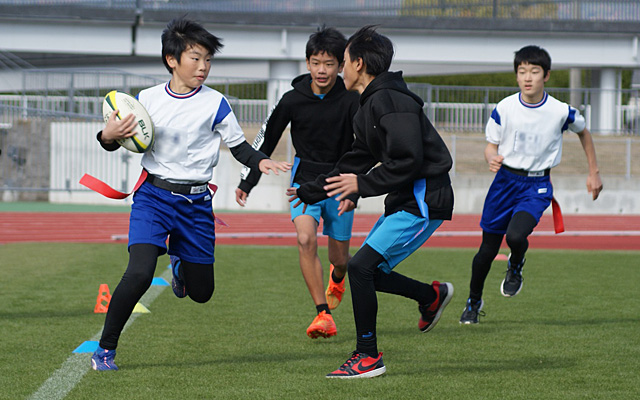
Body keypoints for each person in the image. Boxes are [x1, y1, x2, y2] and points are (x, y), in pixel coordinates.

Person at [90, 17, 291, 371]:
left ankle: (181, 264)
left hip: (197, 205)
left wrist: (260, 162)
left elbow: (240, 148)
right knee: (138, 272)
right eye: (195, 58)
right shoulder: (145, 100)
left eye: (208, 60)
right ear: (172, 59)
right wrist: (107, 135)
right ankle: (105, 349)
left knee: (201, 293)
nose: (203, 67)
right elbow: (114, 141)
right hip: (153, 197)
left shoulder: (216, 104)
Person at [287, 25, 455, 379]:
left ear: (359, 63)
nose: (339, 69)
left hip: (423, 200)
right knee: (370, 271)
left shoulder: (391, 100)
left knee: (360, 268)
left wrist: (361, 186)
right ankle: (430, 296)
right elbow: (356, 158)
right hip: (404, 198)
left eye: (343, 62)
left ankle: (367, 355)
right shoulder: (369, 104)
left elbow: (408, 159)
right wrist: (311, 190)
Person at [459, 45, 603, 325]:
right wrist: (492, 158)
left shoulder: (561, 111)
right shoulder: (505, 107)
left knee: (515, 237)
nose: (528, 77)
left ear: (546, 75)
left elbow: (584, 132)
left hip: (536, 185)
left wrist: (594, 172)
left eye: (534, 71)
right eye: (522, 71)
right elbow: (490, 146)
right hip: (504, 183)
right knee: (486, 252)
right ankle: (473, 303)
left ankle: (515, 265)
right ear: (516, 76)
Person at [235, 27, 359, 339]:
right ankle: (322, 314)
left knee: (339, 259)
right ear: (307, 63)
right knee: (305, 239)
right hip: (303, 180)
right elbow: (267, 139)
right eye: (316, 62)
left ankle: (338, 276)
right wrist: (248, 182)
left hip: (340, 181)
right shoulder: (292, 100)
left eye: (330, 63)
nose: (322, 70)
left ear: (341, 66)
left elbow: (368, 143)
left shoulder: (351, 100)